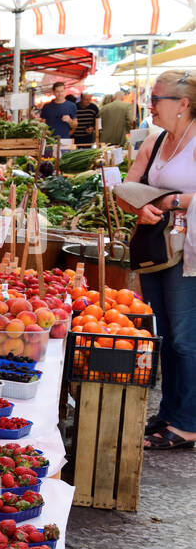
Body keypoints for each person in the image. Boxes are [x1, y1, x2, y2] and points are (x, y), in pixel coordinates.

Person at [112, 70, 196, 450]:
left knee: (184, 338)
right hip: (158, 250)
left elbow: (175, 196)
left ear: (183, 104)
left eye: (157, 98)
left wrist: (172, 201)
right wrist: (140, 206)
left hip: (190, 251)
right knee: (165, 335)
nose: (151, 105)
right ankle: (169, 412)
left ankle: (187, 423)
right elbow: (126, 187)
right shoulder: (156, 139)